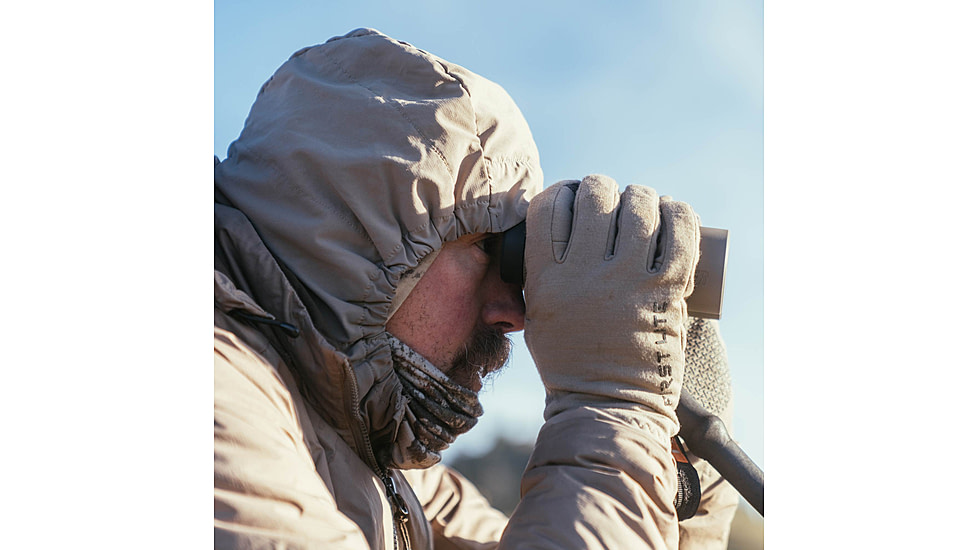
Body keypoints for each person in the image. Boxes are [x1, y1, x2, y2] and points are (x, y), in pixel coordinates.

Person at [214, 27, 737, 549]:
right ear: (347, 239)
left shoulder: (381, 462)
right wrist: (612, 404)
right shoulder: (219, 396)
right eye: (488, 248)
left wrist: (674, 459)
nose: (513, 314)